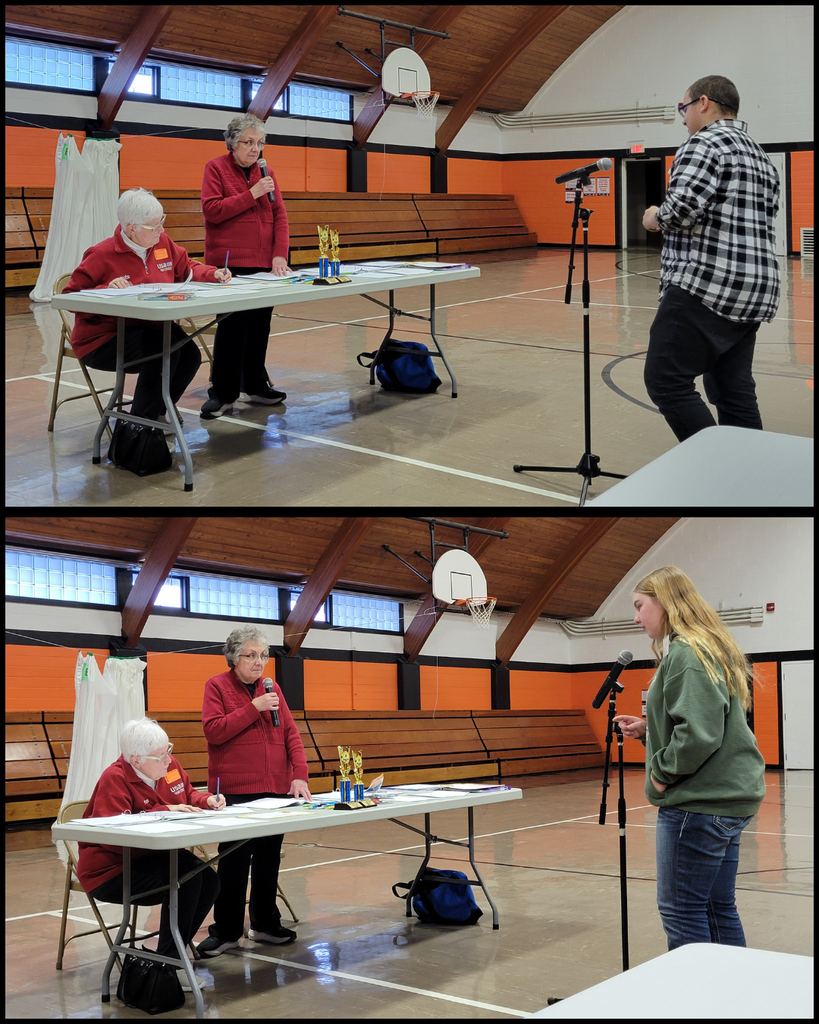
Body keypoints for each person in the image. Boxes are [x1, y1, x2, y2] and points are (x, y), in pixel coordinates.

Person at [614, 566, 765, 951]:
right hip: (726, 799)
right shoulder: (708, 647)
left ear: (664, 602)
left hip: (699, 804)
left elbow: (699, 734)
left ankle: (695, 988)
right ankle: (730, 986)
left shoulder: (686, 653)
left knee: (681, 910)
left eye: (639, 606)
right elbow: (709, 720)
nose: (636, 618)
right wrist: (650, 730)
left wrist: (661, 774)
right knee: (716, 907)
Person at [641, 75, 780, 442]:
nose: (683, 118)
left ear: (703, 103)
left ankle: (715, 463)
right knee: (732, 389)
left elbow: (681, 212)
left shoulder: (702, 143)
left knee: (665, 379)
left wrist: (653, 216)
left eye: (683, 108)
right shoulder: (761, 156)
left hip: (707, 285)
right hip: (754, 291)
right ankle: (748, 467)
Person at [77, 718, 224, 982]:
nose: (168, 760)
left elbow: (188, 795)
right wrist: (164, 810)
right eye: (160, 756)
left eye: (169, 750)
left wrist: (207, 800)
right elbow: (115, 835)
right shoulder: (115, 778)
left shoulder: (169, 766)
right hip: (112, 869)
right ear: (136, 760)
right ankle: (168, 965)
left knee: (208, 878)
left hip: (156, 856)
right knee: (187, 880)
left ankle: (170, 955)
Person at [65, 188, 230, 423]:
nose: (161, 230)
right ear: (131, 228)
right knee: (164, 352)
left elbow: (186, 267)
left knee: (189, 355)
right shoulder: (101, 254)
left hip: (150, 329)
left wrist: (212, 273)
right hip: (104, 339)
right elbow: (70, 296)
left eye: (162, 222)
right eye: (154, 226)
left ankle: (156, 414)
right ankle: (140, 424)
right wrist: (105, 289)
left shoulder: (162, 243)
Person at [197, 626, 311, 957]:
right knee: (233, 863)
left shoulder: (272, 688)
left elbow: (291, 734)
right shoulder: (217, 686)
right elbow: (214, 731)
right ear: (234, 657)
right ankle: (227, 931)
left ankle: (264, 924)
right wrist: (254, 707)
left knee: (268, 861)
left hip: (275, 790)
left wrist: (299, 775)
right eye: (251, 655)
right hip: (235, 792)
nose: (259, 662)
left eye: (263, 655)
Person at [200, 114, 292, 419]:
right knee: (232, 329)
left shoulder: (267, 172)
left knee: (259, 328)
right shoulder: (215, 168)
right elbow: (213, 211)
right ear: (232, 143)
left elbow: (280, 215)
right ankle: (222, 393)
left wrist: (279, 254)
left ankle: (255, 384)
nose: (255, 148)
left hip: (264, 265)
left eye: (260, 142)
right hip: (231, 265)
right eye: (249, 142)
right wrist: (251, 194)